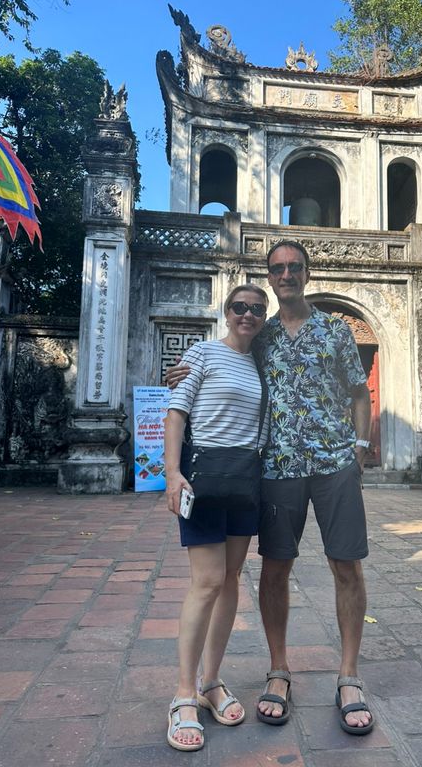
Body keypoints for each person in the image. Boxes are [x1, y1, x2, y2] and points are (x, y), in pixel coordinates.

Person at [167, 240, 374, 735]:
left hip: (332, 463)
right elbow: (215, 372)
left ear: (307, 270)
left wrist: (359, 448)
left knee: (346, 564)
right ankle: (279, 670)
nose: (285, 275)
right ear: (269, 275)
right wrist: (180, 373)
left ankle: (349, 675)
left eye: (293, 267)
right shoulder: (261, 338)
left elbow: (359, 393)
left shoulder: (335, 330)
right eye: (276, 269)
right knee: (276, 568)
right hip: (276, 468)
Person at [164, 283, 269, 752]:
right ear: (226, 313)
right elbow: (176, 411)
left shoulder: (264, 363)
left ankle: (210, 682)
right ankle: (183, 693)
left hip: (246, 478)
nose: (247, 314)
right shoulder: (202, 354)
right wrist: (170, 473)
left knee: (231, 581)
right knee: (206, 582)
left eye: (256, 309)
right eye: (240, 307)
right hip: (204, 474)